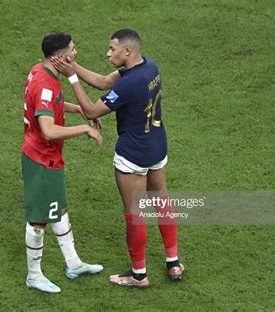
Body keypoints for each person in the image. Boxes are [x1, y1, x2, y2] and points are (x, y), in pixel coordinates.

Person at [51, 28, 184, 288]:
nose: (108, 53)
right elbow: (102, 81)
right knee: (161, 199)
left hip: (134, 155)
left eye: (112, 49)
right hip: (157, 147)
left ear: (127, 51)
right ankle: (173, 263)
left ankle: (138, 274)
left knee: (134, 214)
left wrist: (72, 79)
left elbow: (91, 111)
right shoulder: (149, 67)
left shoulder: (129, 84)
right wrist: (74, 66)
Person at [21, 32, 104, 293]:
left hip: (49, 158)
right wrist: (84, 128)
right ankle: (34, 275)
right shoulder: (45, 85)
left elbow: (49, 104)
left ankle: (73, 263)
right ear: (59, 57)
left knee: (60, 209)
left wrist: (77, 108)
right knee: (38, 221)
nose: (75, 52)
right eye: (72, 49)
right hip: (41, 160)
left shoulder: (40, 71)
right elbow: (48, 129)